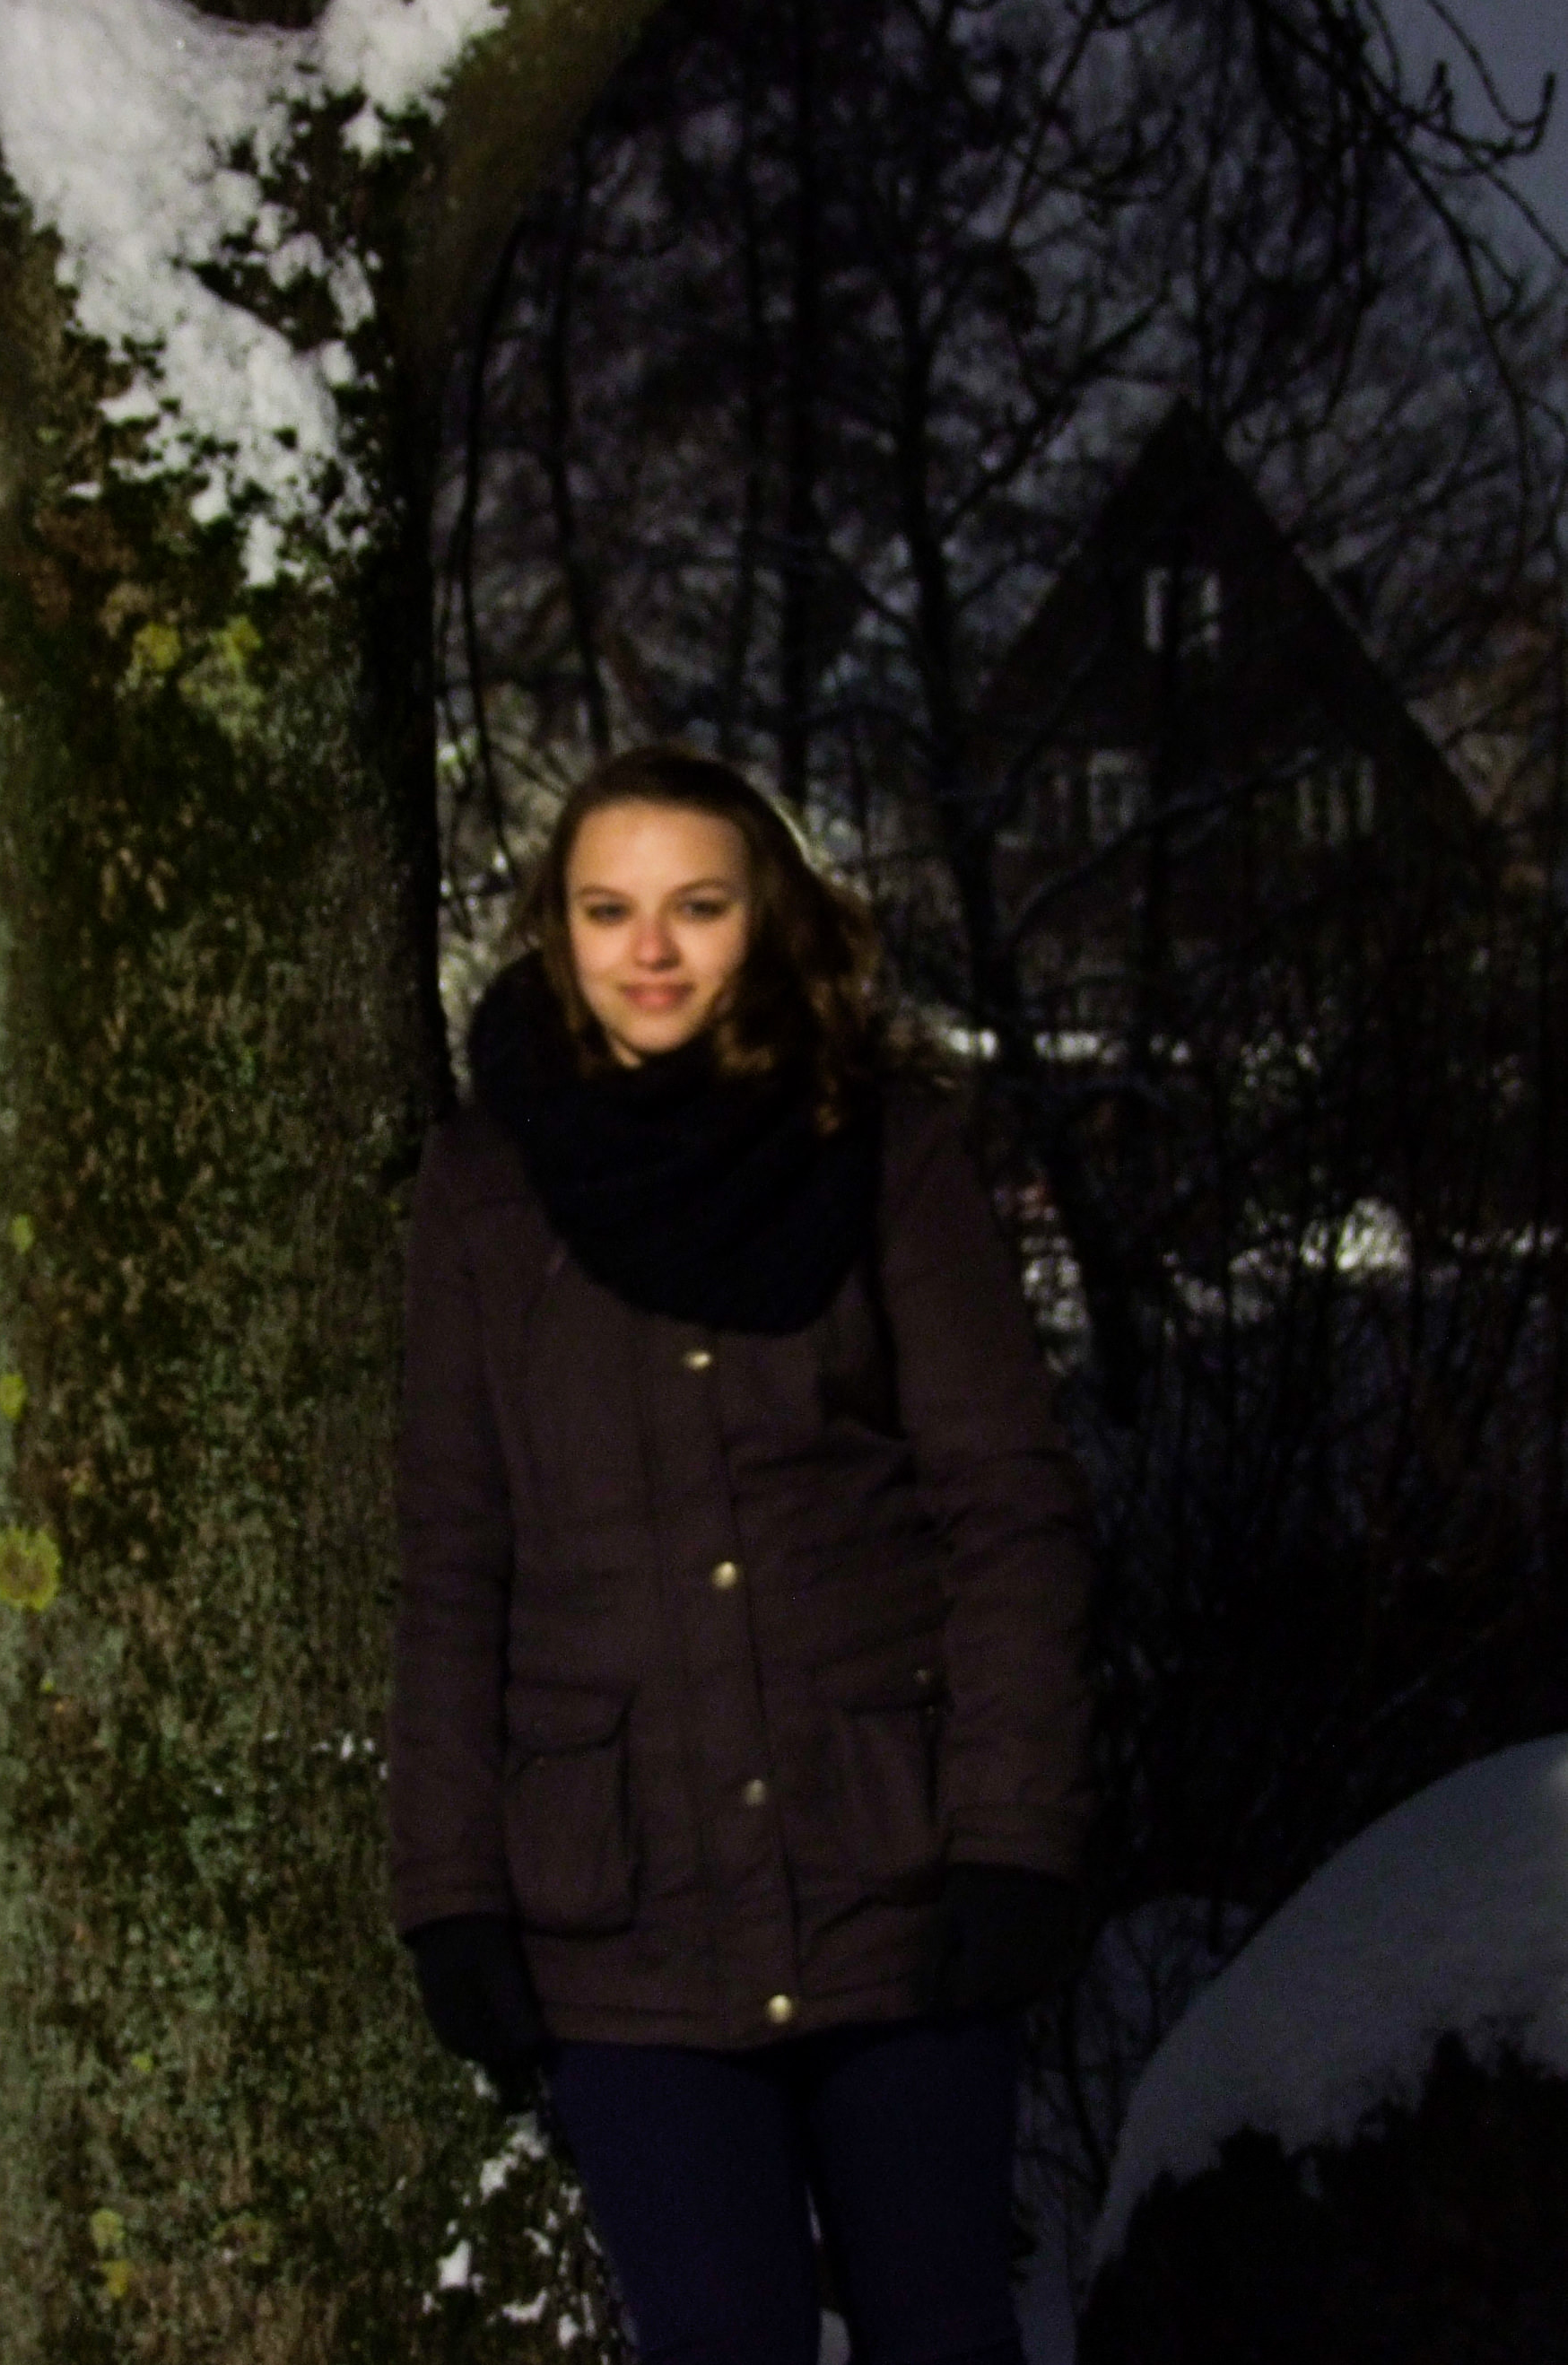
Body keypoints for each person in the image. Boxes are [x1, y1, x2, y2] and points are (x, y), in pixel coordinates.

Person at [389, 746, 1092, 2365]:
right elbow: (451, 1558)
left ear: (765, 917)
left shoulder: (885, 1150)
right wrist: (448, 1894)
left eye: (695, 907)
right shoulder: (486, 1190)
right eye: (606, 910)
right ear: (554, 928)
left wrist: (1014, 1837)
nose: (648, 950)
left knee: (942, 2333)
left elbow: (1008, 1509)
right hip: (621, 1909)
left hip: (893, 1873)